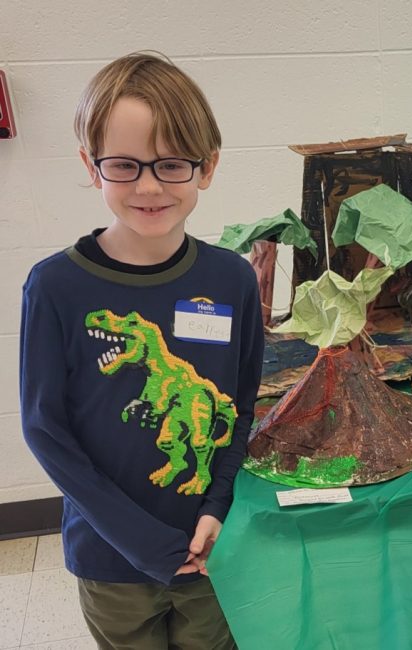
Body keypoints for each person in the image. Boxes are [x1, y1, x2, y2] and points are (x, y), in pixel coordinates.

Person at [19, 51, 264, 649]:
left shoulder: (232, 279)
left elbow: (239, 407)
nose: (149, 186)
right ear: (91, 164)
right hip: (112, 559)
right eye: (124, 164)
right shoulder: (55, 286)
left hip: (213, 546)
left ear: (206, 168)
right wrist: (143, 542)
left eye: (172, 164)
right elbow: (45, 430)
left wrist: (218, 508)